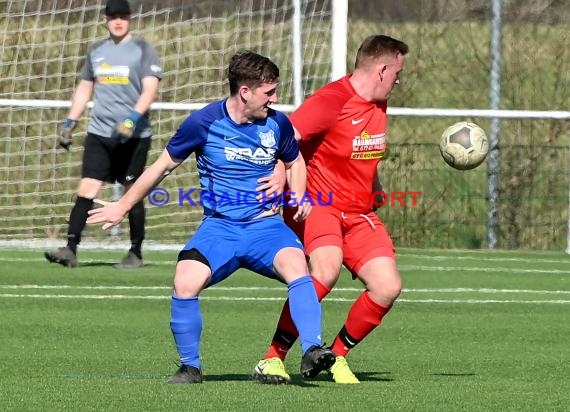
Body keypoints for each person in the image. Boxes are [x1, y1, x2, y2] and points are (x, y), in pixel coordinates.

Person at [86, 51, 336, 384]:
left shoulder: (278, 123)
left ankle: (313, 349)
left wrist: (299, 193)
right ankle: (190, 367)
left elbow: (295, 161)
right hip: (220, 229)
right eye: (269, 93)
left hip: (266, 228)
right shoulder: (203, 122)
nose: (275, 99)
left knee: (298, 268)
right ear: (245, 91)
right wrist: (122, 206)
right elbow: (160, 167)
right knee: (184, 280)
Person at [252, 34, 409, 384]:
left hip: (358, 211)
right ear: (382, 68)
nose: (400, 78)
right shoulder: (331, 100)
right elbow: (285, 137)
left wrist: (376, 188)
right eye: (398, 71)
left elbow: (362, 151)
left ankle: (335, 356)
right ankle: (272, 359)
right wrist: (280, 175)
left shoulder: (378, 103)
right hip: (317, 204)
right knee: (326, 270)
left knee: (387, 285)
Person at [44, 0, 163, 269]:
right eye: (113, 17)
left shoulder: (143, 50)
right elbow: (85, 89)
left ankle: (135, 253)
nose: (118, 21)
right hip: (100, 133)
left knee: (132, 191)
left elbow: (149, 89)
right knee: (87, 186)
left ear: (130, 19)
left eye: (123, 17)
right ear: (105, 19)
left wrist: (133, 119)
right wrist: (70, 122)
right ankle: (70, 249)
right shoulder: (97, 51)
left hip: (134, 136)